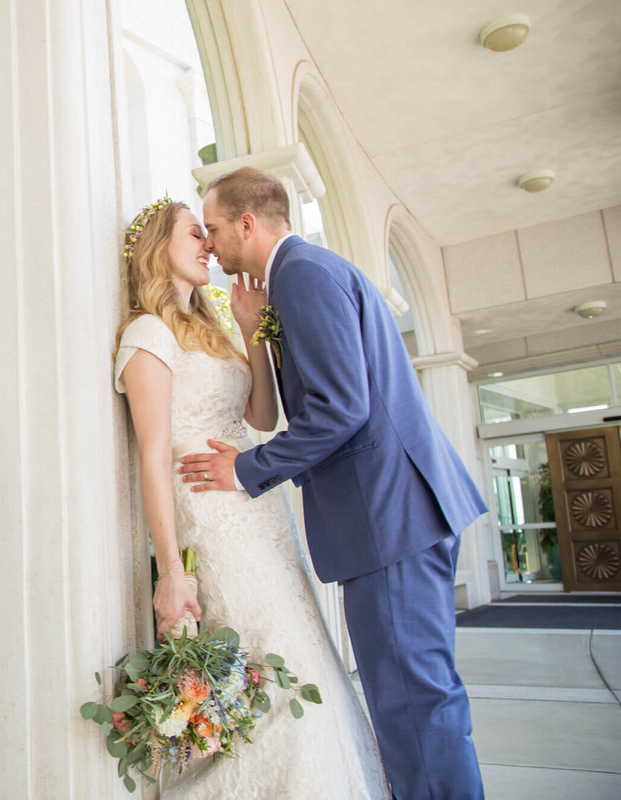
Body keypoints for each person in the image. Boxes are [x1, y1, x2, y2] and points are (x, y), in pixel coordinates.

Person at [180, 167, 487, 800]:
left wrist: (245, 469)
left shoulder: (303, 276)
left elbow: (340, 409)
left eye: (213, 229)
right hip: (395, 517)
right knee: (416, 701)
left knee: (413, 706)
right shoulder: (300, 277)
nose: (209, 245)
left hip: (388, 519)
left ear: (247, 222)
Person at [114, 196, 388, 798]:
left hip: (258, 509)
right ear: (161, 247)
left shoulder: (209, 331)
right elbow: (153, 457)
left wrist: (250, 330)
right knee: (267, 667)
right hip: (209, 517)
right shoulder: (147, 334)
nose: (209, 246)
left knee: (301, 654)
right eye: (196, 234)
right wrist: (169, 572)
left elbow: (261, 414)